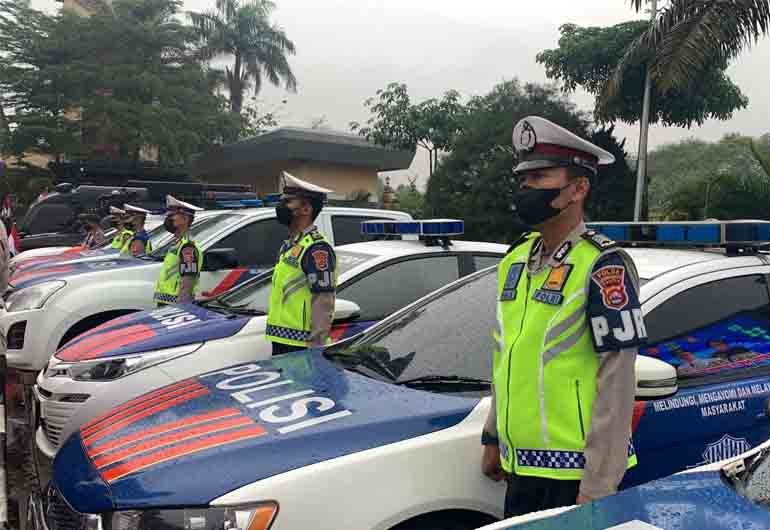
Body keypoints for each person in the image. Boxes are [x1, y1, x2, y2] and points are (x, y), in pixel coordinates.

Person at [481, 116, 648, 517]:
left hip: (574, 478)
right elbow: (507, 355)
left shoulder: (604, 265)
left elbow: (617, 381)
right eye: (524, 179)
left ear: (578, 188)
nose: (526, 188)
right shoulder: (515, 259)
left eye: (540, 178)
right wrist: (492, 437)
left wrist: (599, 486)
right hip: (518, 469)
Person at [266, 172, 337, 355]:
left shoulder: (316, 248)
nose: (282, 206)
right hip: (281, 339)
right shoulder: (290, 245)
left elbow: (323, 301)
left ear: (306, 209)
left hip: (301, 345)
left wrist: (316, 348)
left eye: (289, 202)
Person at [152, 195, 203, 306]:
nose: (169, 219)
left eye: (173, 215)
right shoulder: (178, 243)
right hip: (166, 302)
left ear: (185, 219)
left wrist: (182, 307)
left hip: (174, 305)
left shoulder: (188, 247)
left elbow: (188, 279)